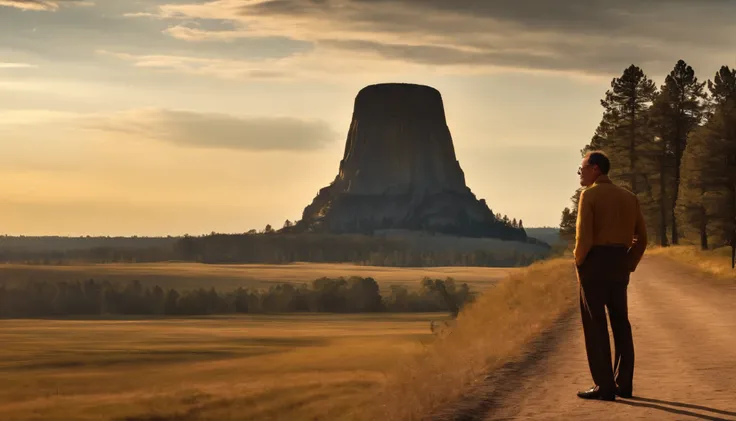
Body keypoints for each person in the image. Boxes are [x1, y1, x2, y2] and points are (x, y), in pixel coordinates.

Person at [573, 151, 647, 401]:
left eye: (581, 168)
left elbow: (584, 239)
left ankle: (604, 386)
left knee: (595, 325)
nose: (579, 173)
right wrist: (629, 263)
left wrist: (579, 262)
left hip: (594, 263)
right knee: (621, 324)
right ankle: (624, 384)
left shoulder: (589, 195)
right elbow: (643, 238)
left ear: (595, 169)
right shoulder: (629, 197)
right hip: (619, 264)